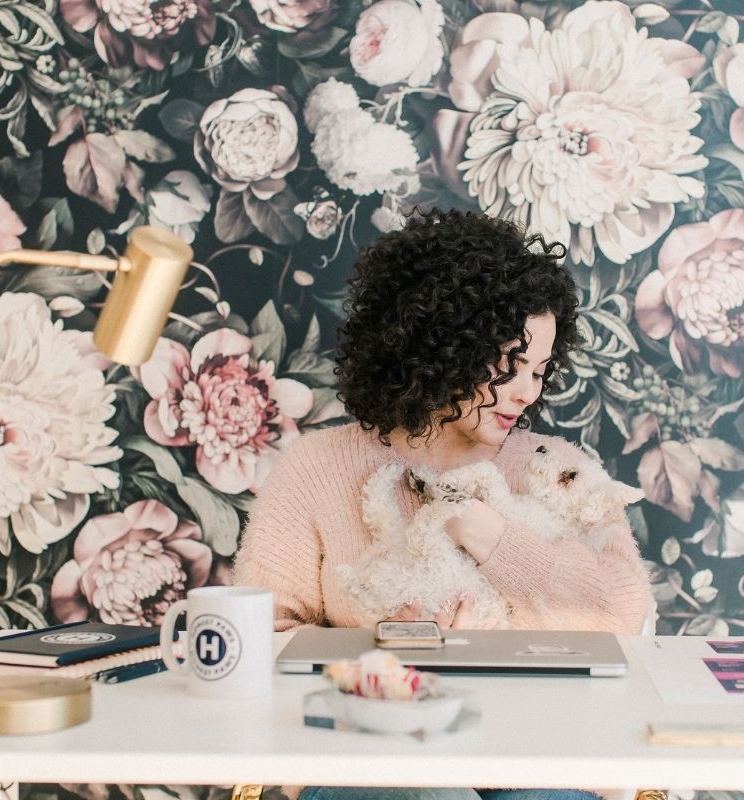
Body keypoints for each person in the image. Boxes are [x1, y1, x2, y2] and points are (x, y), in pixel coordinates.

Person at [233, 209, 652, 800]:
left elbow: (622, 612)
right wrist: (391, 648)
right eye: (509, 363)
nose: (526, 391)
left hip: (533, 748)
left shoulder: (552, 470)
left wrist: (491, 539)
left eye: (539, 369)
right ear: (442, 344)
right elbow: (267, 637)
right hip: (371, 748)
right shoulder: (318, 467)